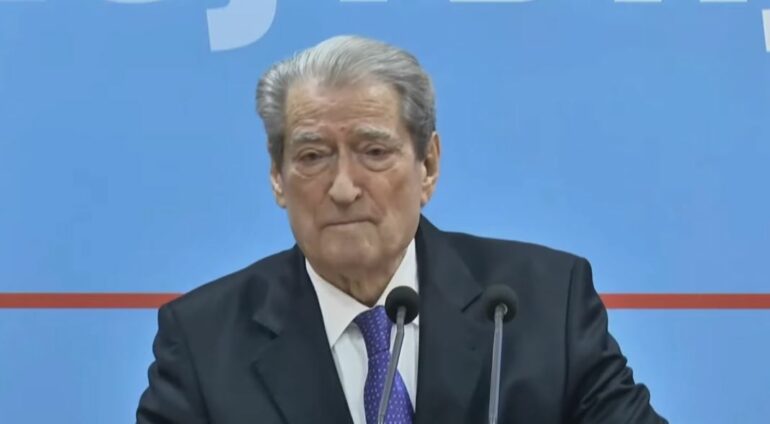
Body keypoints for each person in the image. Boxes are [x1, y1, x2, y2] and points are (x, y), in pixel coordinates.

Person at [136, 35, 667, 424]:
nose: (344, 187)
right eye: (313, 156)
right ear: (278, 177)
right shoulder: (204, 342)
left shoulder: (542, 304)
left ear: (428, 165)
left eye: (373, 151)